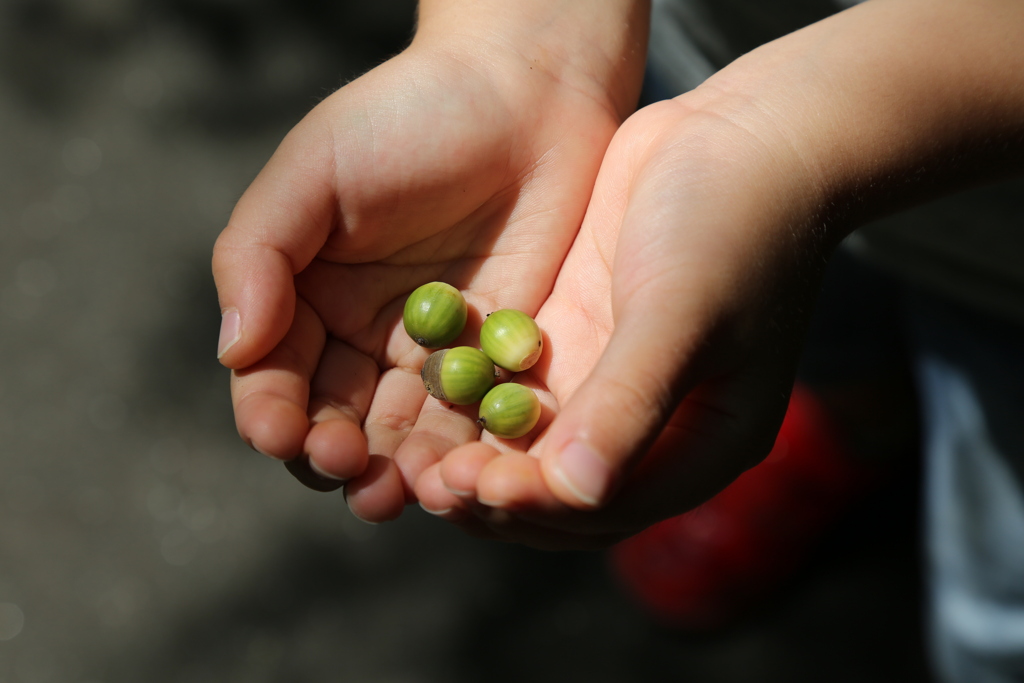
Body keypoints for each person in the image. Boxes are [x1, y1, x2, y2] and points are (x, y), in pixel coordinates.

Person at [213, 0, 1024, 679]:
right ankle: (857, 417)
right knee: (801, 314)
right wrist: (514, 45)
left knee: (1002, 583)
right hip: (710, 64)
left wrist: (781, 142)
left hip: (999, 240)